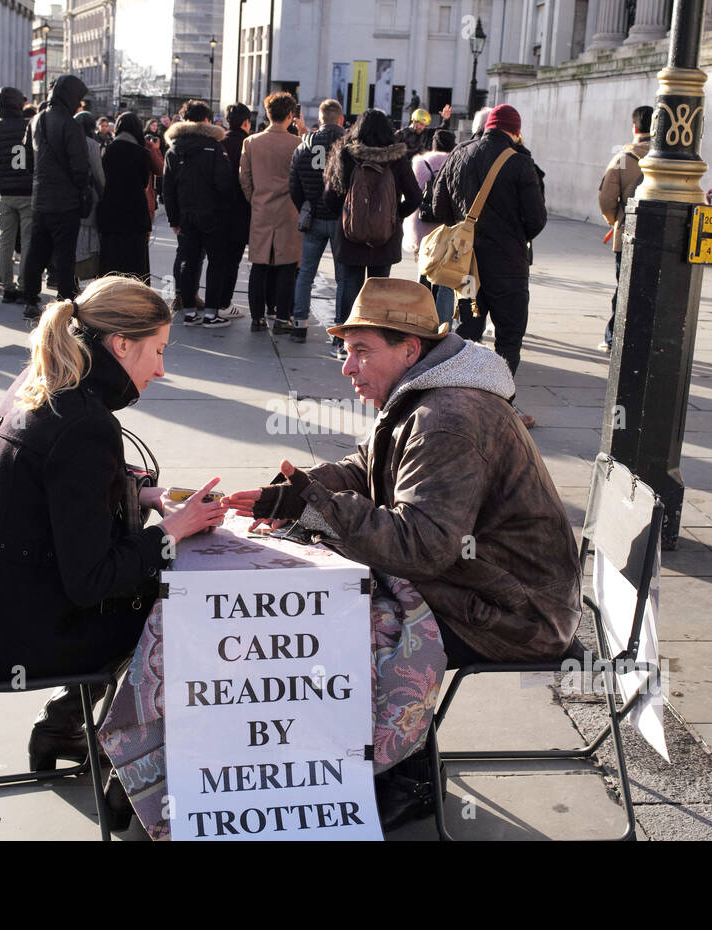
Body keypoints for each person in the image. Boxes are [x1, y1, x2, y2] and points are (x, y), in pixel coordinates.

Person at [224, 277, 582, 827]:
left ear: (409, 350)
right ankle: (372, 760)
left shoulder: (448, 418)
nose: (348, 369)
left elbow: (422, 544)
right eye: (346, 352)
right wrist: (296, 494)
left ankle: (405, 776)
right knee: (331, 607)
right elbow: (367, 469)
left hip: (514, 610)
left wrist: (316, 509)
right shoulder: (422, 396)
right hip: (479, 583)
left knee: (346, 627)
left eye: (362, 352)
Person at [0, 275, 225, 774]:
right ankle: (132, 765)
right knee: (175, 609)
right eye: (158, 352)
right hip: (12, 630)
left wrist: (139, 493)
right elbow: (92, 581)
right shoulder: (85, 423)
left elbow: (45, 493)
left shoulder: (41, 380)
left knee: (155, 592)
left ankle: (62, 727)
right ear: (121, 345)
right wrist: (174, 530)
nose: (163, 370)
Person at [429, 103, 546, 428]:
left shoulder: (459, 154)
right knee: (508, 336)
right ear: (514, 130)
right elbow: (536, 222)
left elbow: (439, 207)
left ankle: (459, 400)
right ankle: (500, 407)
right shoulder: (521, 163)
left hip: (468, 267)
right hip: (508, 266)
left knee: (468, 330)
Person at [321, 107, 421, 357]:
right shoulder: (397, 157)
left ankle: (343, 344)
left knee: (348, 286)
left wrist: (345, 214)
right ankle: (375, 345)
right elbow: (415, 197)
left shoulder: (346, 153)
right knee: (378, 291)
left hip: (349, 235)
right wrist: (394, 216)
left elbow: (330, 197)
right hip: (384, 238)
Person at [21, 74, 92, 320]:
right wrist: (82, 186)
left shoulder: (35, 120)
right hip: (66, 200)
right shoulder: (70, 124)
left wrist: (37, 176)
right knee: (64, 252)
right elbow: (80, 166)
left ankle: (30, 298)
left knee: (36, 250)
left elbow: (23, 156)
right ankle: (64, 299)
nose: (80, 104)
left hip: (40, 197)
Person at [163, 98, 238, 327]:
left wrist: (173, 219)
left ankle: (188, 312)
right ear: (207, 120)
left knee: (189, 261)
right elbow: (224, 184)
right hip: (213, 215)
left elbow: (167, 189)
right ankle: (211, 313)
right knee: (217, 262)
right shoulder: (214, 147)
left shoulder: (173, 149)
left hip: (186, 216)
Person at [239, 91, 304, 335]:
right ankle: (282, 317)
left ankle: (257, 318)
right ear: (290, 115)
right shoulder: (297, 144)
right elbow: (302, 180)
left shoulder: (251, 142)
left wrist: (255, 198)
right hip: (289, 210)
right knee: (287, 267)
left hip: (261, 208)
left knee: (259, 264)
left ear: (267, 113)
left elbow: (244, 178)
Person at [288, 97, 346, 345]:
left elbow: (293, 183)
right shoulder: (347, 145)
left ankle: (299, 322)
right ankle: (340, 328)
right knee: (343, 277)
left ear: (319, 120)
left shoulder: (305, 145)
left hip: (313, 215)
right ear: (340, 119)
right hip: (340, 217)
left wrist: (306, 204)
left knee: (306, 273)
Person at [597, 104, 652, 353]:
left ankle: (615, 337)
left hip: (628, 233)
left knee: (625, 287)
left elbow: (607, 198)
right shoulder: (668, 160)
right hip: (658, 238)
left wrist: (614, 219)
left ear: (634, 127)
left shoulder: (622, 159)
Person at [0, 86, 34, 304]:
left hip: (5, 192)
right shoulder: (30, 127)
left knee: (5, 241)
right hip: (28, 191)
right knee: (28, 242)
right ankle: (24, 286)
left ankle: (7, 287)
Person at [407, 129, 457, 327]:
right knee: (445, 281)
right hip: (448, 228)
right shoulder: (456, 163)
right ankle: (442, 325)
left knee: (424, 275)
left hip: (424, 229)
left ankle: (422, 319)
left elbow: (413, 196)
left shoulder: (422, 163)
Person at [97, 111, 155, 282]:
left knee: (112, 256)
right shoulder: (142, 152)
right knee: (135, 258)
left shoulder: (109, 149)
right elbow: (145, 182)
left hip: (111, 208)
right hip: (135, 210)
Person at [216, 102, 253, 318]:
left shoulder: (219, 142)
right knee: (232, 261)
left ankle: (215, 302)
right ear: (246, 122)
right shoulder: (248, 144)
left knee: (217, 260)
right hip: (240, 210)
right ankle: (224, 302)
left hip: (218, 210)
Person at [73, 111, 106, 282]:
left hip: (66, 195)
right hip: (87, 195)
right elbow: (98, 174)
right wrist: (104, 194)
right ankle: (85, 275)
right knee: (87, 235)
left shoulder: (66, 140)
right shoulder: (91, 144)